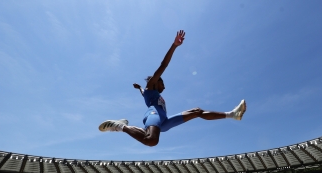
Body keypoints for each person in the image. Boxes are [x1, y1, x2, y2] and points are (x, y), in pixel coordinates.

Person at [98, 30, 247, 147]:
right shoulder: (151, 86)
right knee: (151, 141)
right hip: (154, 115)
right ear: (156, 81)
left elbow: (143, 92)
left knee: (197, 111)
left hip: (165, 121)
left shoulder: (148, 91)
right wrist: (174, 45)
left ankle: (232, 114)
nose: (164, 86)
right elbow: (163, 65)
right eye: (162, 83)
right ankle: (120, 126)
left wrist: (139, 88)